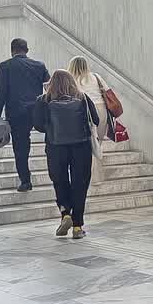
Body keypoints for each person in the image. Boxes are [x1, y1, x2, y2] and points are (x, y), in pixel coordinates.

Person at [33, 70, 99, 239]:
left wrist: (52, 128)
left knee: (60, 181)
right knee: (80, 185)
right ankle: (77, 227)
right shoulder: (83, 98)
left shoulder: (43, 100)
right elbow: (96, 120)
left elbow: (38, 125)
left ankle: (65, 214)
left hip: (55, 147)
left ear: (51, 83)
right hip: (81, 147)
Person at [0, 38, 50, 192]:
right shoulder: (39, 65)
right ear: (27, 50)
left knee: (21, 148)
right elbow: (50, 87)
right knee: (51, 140)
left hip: (17, 114)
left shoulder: (4, 66)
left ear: (12, 51)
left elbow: (0, 93)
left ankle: (25, 181)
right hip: (38, 112)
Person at [66, 56, 109, 183]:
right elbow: (107, 91)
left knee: (85, 145)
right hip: (100, 109)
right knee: (97, 143)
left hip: (82, 110)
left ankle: (85, 176)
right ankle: (97, 177)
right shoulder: (96, 76)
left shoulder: (69, 79)